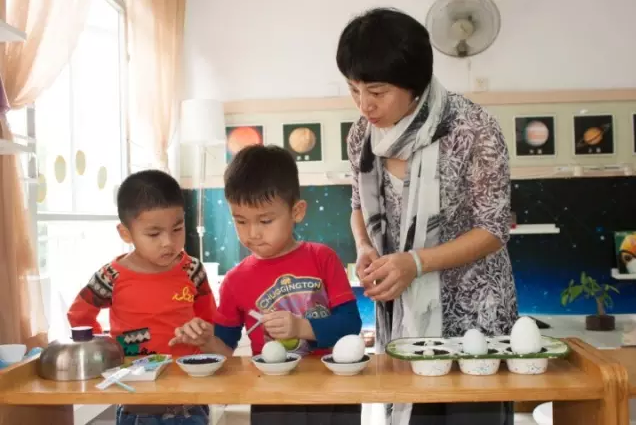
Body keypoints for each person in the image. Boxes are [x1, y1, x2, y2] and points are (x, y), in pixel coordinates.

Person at [337, 7, 518, 425]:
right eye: (353, 89)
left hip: (475, 319)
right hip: (406, 325)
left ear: (413, 84)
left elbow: (493, 230)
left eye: (377, 91)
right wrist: (365, 247)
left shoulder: (472, 128)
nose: (364, 105)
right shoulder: (362, 136)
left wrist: (415, 263)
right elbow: (358, 207)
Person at [171, 145, 363, 425]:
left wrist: (301, 328)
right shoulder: (235, 280)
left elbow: (351, 324)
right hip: (272, 397)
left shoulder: (322, 258)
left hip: (332, 392)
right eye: (240, 221)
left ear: (296, 211)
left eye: (265, 220)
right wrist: (205, 340)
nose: (253, 233)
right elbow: (225, 348)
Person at [67, 169, 216, 425]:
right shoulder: (110, 276)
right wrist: (104, 353)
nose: (168, 242)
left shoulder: (193, 271)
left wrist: (205, 334)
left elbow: (211, 320)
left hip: (189, 394)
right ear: (126, 233)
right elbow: (79, 316)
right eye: (154, 234)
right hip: (136, 398)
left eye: (177, 228)